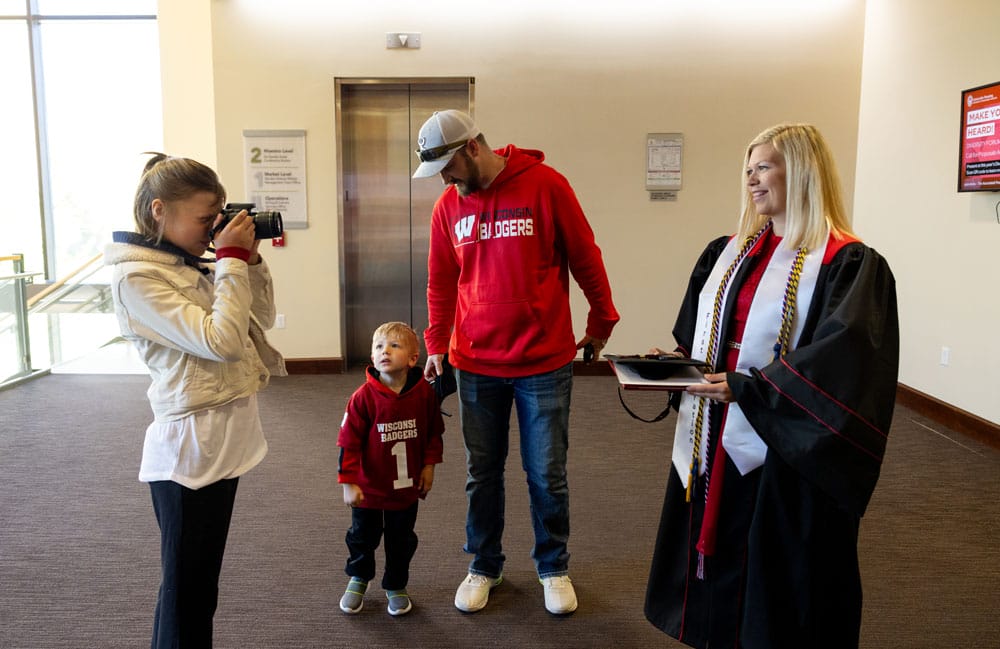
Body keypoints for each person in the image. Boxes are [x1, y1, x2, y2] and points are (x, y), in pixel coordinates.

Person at [643, 124, 899, 648]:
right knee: (715, 561)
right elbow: (703, 335)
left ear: (801, 172)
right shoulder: (728, 251)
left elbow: (842, 365)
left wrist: (752, 389)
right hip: (718, 429)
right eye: (748, 169)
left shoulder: (847, 264)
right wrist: (677, 366)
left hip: (784, 447)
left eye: (764, 167)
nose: (751, 180)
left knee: (779, 579)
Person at [412, 109, 620, 615]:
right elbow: (441, 280)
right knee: (481, 471)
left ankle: (553, 566)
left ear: (472, 148)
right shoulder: (447, 206)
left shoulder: (546, 186)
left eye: (447, 165)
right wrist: (436, 343)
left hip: (543, 361)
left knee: (546, 472)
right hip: (476, 362)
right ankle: (485, 564)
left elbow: (585, 255)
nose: (443, 178)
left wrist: (601, 320)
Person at [105, 153, 286, 648]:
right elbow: (221, 341)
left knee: (199, 588)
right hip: (189, 453)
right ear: (160, 210)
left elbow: (259, 319)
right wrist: (227, 260)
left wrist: (247, 261)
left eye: (219, 217)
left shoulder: (188, 263)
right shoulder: (137, 280)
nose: (214, 230)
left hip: (223, 441)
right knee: (186, 592)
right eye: (206, 219)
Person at [336, 321, 445, 616]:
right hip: (369, 489)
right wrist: (349, 482)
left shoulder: (424, 395)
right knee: (362, 536)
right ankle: (359, 577)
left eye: (394, 346)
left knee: (401, 539)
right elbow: (348, 443)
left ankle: (396, 583)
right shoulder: (363, 398)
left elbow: (434, 434)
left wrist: (429, 467)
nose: (385, 351)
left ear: (412, 358)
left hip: (405, 488)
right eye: (379, 347)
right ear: (372, 357)